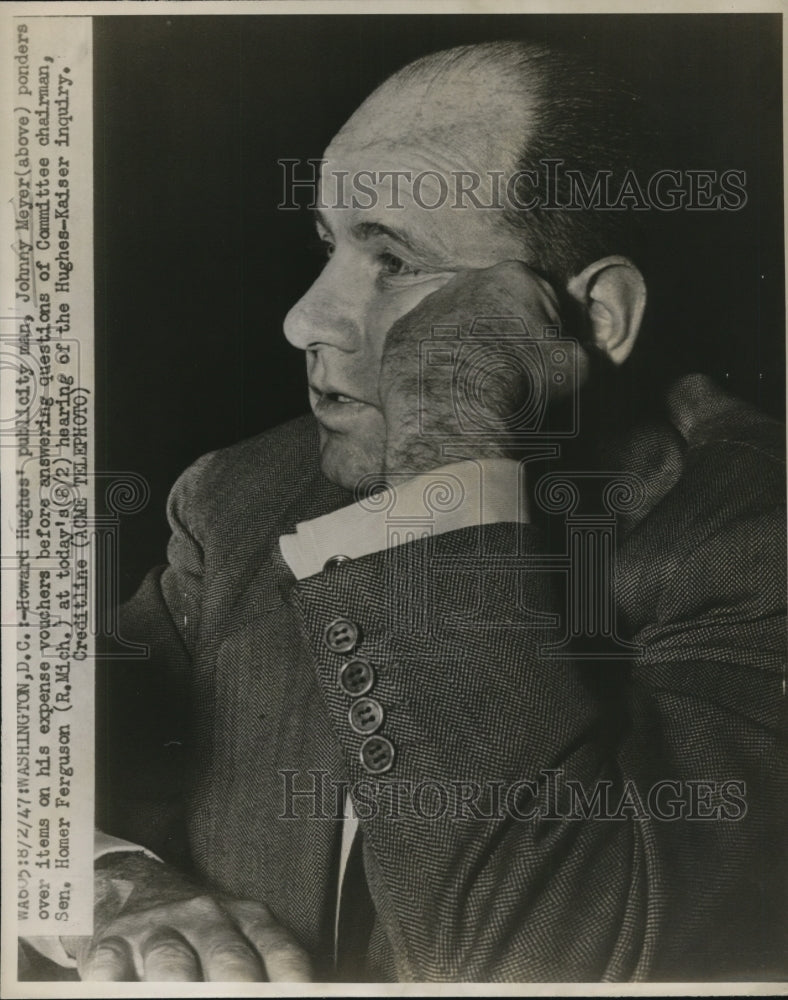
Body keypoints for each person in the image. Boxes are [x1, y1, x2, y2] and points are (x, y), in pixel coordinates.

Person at [36, 40, 787, 982]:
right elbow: (30, 756)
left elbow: (539, 961)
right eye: (329, 243)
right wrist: (118, 885)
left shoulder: (756, 538)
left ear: (595, 319)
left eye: (392, 259)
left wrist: (450, 440)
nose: (303, 320)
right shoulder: (240, 500)